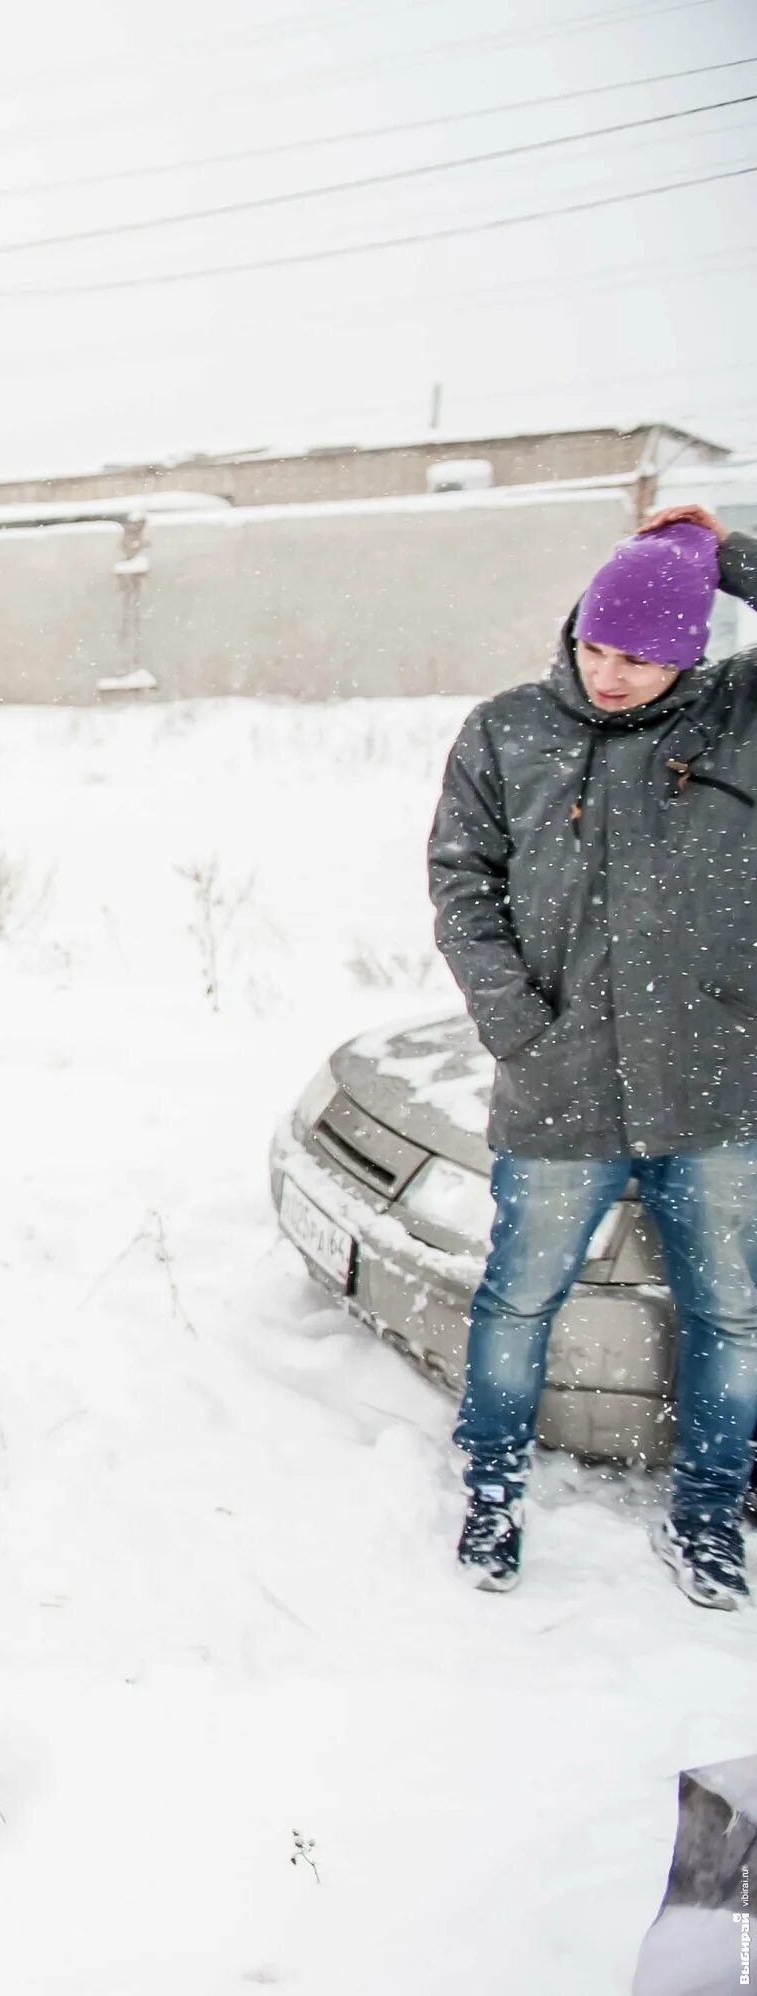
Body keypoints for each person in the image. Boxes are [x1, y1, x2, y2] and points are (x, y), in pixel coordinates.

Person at [431, 507, 757, 1605]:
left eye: (647, 656)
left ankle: (712, 1508)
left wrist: (719, 556)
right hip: (560, 1090)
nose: (613, 675)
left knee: (732, 1313)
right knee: (518, 1301)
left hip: (716, 1085)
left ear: (695, 651)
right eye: (599, 646)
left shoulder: (741, 719)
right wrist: (521, 1026)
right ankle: (492, 1485)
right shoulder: (507, 731)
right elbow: (462, 887)